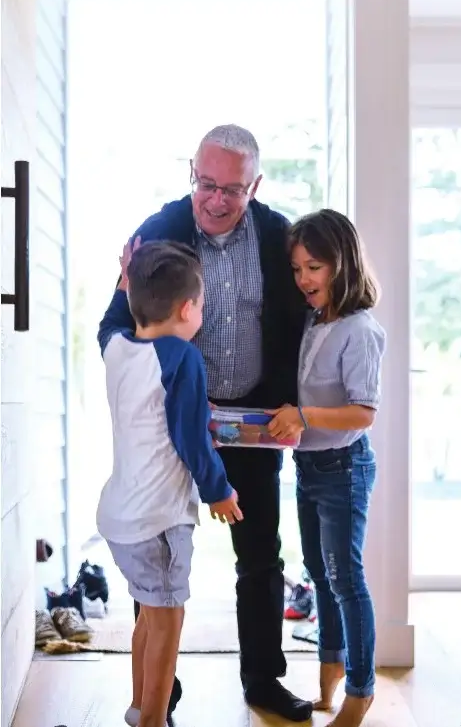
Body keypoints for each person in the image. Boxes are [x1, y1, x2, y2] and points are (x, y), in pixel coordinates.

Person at [98, 124, 311, 722]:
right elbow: (116, 324)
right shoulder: (160, 230)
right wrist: (149, 377)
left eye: (233, 190)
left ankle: (264, 681)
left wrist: (293, 403)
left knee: (261, 556)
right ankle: (158, 697)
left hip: (252, 421)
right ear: (192, 174)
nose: (217, 200)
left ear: (256, 186)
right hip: (172, 428)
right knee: (156, 567)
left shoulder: (278, 236)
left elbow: (303, 323)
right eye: (206, 184)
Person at [96, 240, 244, 727]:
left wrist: (125, 284)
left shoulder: (119, 348)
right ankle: (154, 721)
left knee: (149, 616)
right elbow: (189, 438)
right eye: (200, 304)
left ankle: (140, 710)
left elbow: (108, 324)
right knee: (168, 622)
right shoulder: (181, 358)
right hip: (158, 520)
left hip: (120, 518)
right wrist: (218, 490)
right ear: (187, 308)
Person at [265, 209, 386, 727]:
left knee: (346, 580)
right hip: (310, 463)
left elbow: (364, 413)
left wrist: (304, 415)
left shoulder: (360, 330)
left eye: (314, 267)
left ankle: (361, 689)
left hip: (344, 468)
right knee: (320, 574)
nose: (304, 279)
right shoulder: (317, 320)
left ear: (343, 263)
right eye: (297, 269)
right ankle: (329, 669)